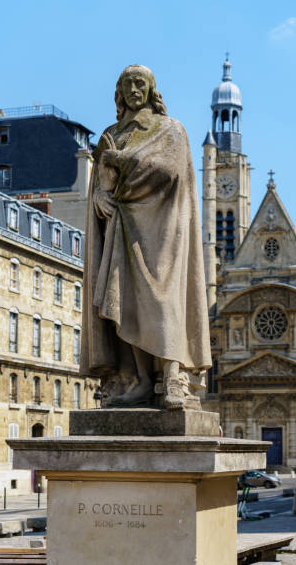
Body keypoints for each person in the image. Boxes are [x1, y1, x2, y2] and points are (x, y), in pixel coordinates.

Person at [81, 64, 211, 409]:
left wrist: (120, 159)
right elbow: (100, 181)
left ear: (152, 89)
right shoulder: (113, 133)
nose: (134, 89)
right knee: (126, 301)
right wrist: (97, 196)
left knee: (162, 298)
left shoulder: (171, 129)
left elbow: (167, 171)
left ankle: (171, 377)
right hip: (121, 226)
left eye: (141, 83)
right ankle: (138, 379)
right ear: (119, 93)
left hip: (161, 226)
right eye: (127, 84)